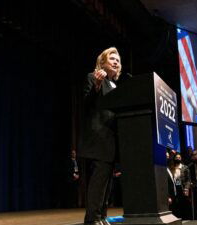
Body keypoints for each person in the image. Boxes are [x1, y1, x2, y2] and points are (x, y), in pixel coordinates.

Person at [77, 47, 122, 225]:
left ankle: (102, 216)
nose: (116, 61)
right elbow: (86, 104)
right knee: (98, 183)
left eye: (118, 59)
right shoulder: (93, 78)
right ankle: (92, 219)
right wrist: (96, 86)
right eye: (112, 58)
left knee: (107, 184)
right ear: (102, 62)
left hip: (111, 141)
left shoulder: (116, 86)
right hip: (98, 139)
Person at [169, 153, 191, 219]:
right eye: (176, 157)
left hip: (182, 188)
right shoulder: (172, 167)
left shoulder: (185, 167)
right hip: (174, 187)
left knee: (183, 203)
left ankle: (185, 218)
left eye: (179, 157)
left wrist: (186, 188)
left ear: (181, 158)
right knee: (176, 204)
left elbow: (188, 179)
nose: (178, 158)